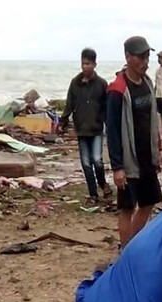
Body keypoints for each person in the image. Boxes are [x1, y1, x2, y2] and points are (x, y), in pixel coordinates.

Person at [106, 36, 162, 247]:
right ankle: (126, 253)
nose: (146, 61)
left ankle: (133, 247)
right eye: (141, 57)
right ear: (128, 57)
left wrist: (158, 151)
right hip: (128, 160)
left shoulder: (147, 83)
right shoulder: (117, 90)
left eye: (147, 56)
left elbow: (153, 120)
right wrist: (117, 167)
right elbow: (111, 131)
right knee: (127, 208)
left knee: (148, 203)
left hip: (147, 156)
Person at [60, 48, 112, 206]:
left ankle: (103, 184)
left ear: (94, 64)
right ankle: (93, 194)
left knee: (97, 160)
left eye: (88, 63)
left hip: (96, 128)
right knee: (86, 163)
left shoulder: (102, 84)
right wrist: (63, 121)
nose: (85, 66)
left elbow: (107, 107)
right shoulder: (75, 83)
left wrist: (110, 126)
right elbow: (69, 104)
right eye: (83, 63)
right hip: (81, 128)